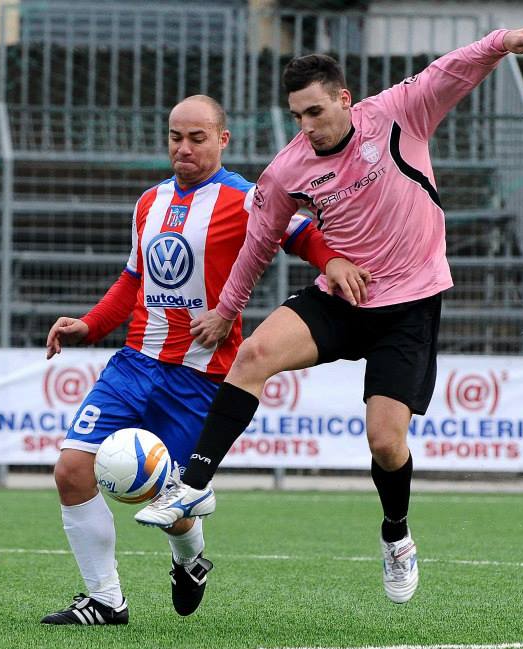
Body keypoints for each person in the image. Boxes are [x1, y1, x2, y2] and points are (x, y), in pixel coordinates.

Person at [134, 23, 523, 604]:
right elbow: (259, 243)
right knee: (254, 354)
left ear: (343, 99)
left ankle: (396, 536)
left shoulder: (398, 113)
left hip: (409, 303)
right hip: (342, 298)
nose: (307, 126)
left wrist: (499, 43)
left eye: (315, 111)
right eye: (297, 116)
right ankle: (192, 484)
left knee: (385, 443)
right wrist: (225, 310)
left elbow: (448, 71)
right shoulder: (288, 169)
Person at [40, 94, 369, 625]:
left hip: (199, 376)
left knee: (174, 501)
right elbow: (133, 280)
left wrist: (333, 261)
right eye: (176, 137)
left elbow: (303, 234)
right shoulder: (149, 202)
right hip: (134, 365)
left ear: (222, 139)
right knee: (71, 471)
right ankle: (105, 600)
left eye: (197, 138)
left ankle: (190, 562)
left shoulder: (244, 198)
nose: (184, 148)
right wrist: (90, 324)